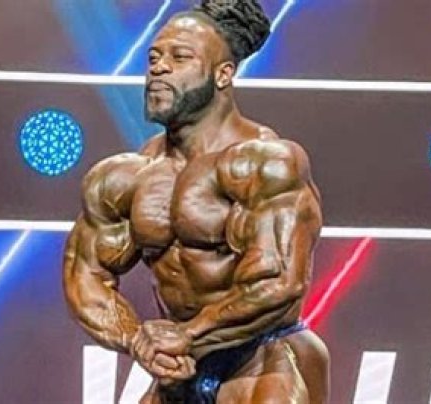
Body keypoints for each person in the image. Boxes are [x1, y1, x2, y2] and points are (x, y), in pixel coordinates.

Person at [63, 1, 329, 402]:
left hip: (262, 358)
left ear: (224, 74)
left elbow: (280, 283)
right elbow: (85, 276)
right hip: (180, 364)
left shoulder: (266, 163)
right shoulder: (124, 177)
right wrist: (139, 341)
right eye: (154, 57)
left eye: (180, 57)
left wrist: (187, 335)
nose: (159, 68)